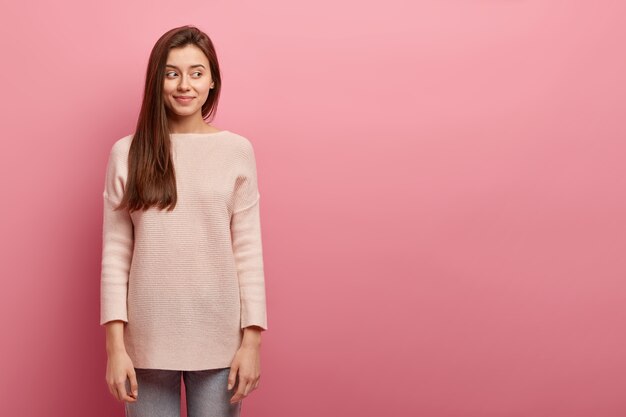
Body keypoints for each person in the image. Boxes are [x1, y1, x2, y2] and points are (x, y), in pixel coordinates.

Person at [99, 25, 268, 417]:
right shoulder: (127, 152)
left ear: (212, 82)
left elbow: (248, 251)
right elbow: (115, 254)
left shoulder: (236, 151)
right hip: (146, 343)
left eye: (196, 72)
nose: (184, 85)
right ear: (156, 81)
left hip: (221, 342)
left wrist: (252, 342)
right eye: (172, 73)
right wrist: (115, 348)